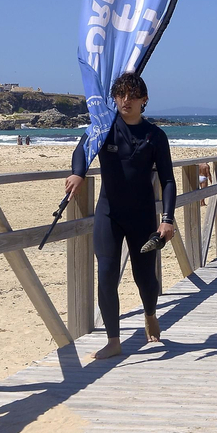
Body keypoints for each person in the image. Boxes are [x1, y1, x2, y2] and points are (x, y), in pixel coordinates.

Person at [64, 72, 177, 360]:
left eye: (133, 96)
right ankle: (113, 340)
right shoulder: (105, 128)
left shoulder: (155, 136)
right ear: (114, 98)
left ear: (144, 100)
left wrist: (167, 219)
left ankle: (150, 313)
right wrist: (78, 173)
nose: (126, 100)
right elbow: (82, 149)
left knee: (145, 277)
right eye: (121, 95)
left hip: (142, 215)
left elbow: (167, 180)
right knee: (106, 274)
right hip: (109, 213)